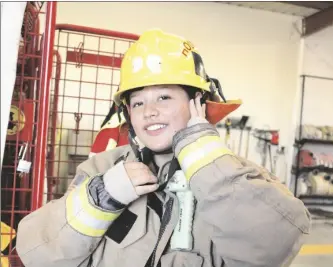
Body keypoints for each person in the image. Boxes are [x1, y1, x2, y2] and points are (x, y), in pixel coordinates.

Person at [16, 29, 311, 267]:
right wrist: (100, 199)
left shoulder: (238, 176)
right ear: (128, 114)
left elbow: (273, 247)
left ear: (197, 103)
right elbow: (39, 255)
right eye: (138, 102)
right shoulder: (101, 170)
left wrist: (203, 158)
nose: (149, 111)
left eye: (164, 98)